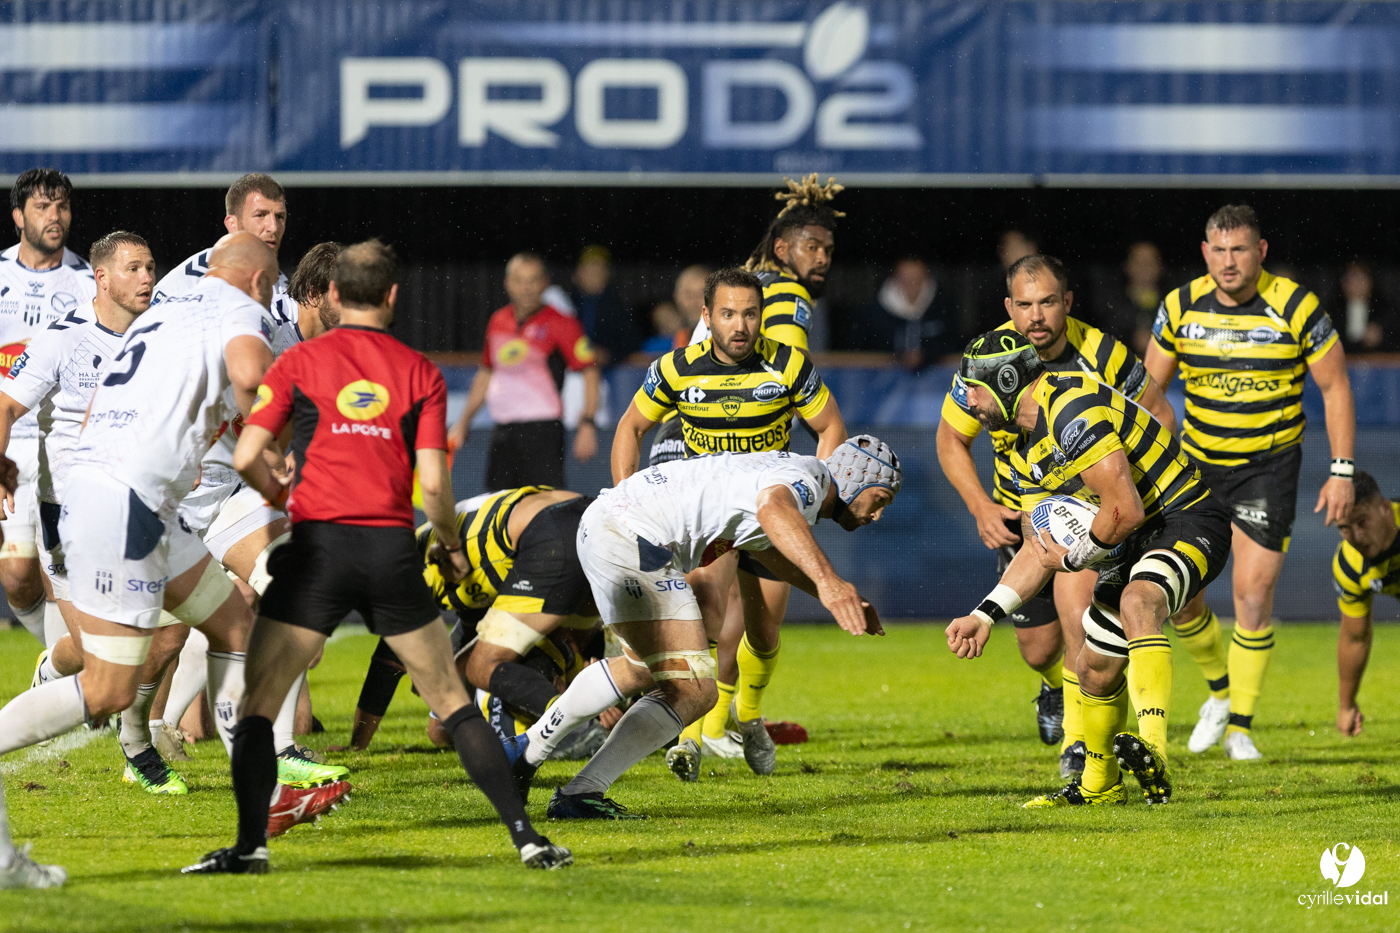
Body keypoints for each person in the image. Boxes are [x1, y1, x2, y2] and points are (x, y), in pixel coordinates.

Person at [191, 239, 570, 874]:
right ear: (393, 298)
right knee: (450, 698)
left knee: (259, 703)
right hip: (391, 550)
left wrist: (283, 493)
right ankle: (528, 839)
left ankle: (250, 847)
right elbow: (432, 485)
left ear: (333, 295)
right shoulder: (419, 372)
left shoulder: (300, 362)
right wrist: (449, 546)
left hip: (317, 549)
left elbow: (245, 455)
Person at [0, 233, 340, 887]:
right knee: (109, 687)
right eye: (270, 282)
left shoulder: (169, 312)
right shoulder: (236, 311)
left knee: (238, 619)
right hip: (121, 506)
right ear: (258, 280)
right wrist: (267, 451)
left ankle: (265, 792)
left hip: (146, 502)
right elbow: (248, 379)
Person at [510, 437, 899, 819]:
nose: (876, 515)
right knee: (695, 691)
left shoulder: (788, 471)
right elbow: (773, 507)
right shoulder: (809, 482)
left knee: (640, 669)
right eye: (879, 499)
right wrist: (830, 581)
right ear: (853, 478)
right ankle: (581, 790)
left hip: (609, 525)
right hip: (635, 539)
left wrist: (824, 591)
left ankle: (524, 751)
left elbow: (765, 545)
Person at [946, 331, 1231, 807]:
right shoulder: (1022, 448)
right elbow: (1040, 549)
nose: (966, 398)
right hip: (1128, 537)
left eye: (973, 386)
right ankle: (1099, 785)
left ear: (1007, 380)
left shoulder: (1071, 406)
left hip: (1183, 517)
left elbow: (1125, 508)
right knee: (1093, 668)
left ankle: (1154, 752)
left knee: (1139, 600)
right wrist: (983, 616)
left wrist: (1077, 557)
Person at [937, 254, 1177, 780]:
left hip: (1083, 513)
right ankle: (1054, 689)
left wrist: (1121, 490)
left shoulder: (1102, 354)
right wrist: (979, 505)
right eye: (1024, 304)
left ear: (1067, 302)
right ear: (1008, 307)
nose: (1036, 316)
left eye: (1047, 302)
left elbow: (1159, 414)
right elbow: (950, 438)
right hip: (1019, 513)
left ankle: (1078, 744)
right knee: (1037, 646)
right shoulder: (986, 358)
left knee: (1078, 623)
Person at [612, 268, 847, 780]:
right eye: (727, 314)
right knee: (704, 615)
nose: (739, 325)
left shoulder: (789, 366)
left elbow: (830, 427)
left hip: (768, 515)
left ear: (761, 315)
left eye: (749, 313)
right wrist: (627, 499)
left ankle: (750, 716)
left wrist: (811, 497)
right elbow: (630, 426)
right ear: (706, 317)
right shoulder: (676, 369)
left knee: (763, 633)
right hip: (709, 518)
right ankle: (690, 737)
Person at [1144, 204, 1357, 761]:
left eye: (1239, 249)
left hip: (1269, 468)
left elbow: (1335, 388)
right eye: (1218, 250)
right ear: (1204, 253)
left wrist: (1341, 472)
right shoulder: (1180, 306)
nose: (1228, 261)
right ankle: (1219, 691)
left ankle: (1240, 726)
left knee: (1253, 595)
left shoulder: (1295, 305)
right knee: (1181, 596)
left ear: (1260, 252)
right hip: (1195, 468)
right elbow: (1147, 395)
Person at [0, 231, 199, 794]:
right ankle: (136, 747)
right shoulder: (62, 340)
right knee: (109, 657)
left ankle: (141, 736)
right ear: (102, 278)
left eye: (152, 266)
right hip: (73, 518)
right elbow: (8, 403)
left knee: (172, 636)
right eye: (134, 268)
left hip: (145, 508)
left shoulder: (161, 338)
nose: (147, 278)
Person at [339, 485, 599, 753]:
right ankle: (604, 713)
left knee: (486, 664)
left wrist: (356, 746)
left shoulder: (413, 570)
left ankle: (581, 730)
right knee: (441, 730)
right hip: (587, 516)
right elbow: (470, 629)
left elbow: (387, 663)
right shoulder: (420, 553)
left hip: (549, 535)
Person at [0, 169, 96, 652]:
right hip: (7, 443)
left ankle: (71, 672)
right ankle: (58, 658)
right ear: (18, 216)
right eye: (42, 206)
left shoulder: (86, 283)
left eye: (62, 206)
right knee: (17, 575)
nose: (54, 216)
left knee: (61, 565)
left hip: (62, 444)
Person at [449, 253, 600, 490]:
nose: (526, 288)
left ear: (545, 283)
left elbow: (590, 372)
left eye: (533, 280)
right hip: (503, 431)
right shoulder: (497, 320)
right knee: (498, 506)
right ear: (507, 284)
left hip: (543, 431)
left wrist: (588, 423)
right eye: (519, 281)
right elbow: (487, 373)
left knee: (545, 507)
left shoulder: (562, 322)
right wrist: (463, 421)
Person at [1331, 470, 1398, 737]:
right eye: (1345, 528)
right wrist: (1346, 705)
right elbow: (1355, 638)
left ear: (1384, 508)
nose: (1356, 535)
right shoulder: (1348, 566)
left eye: (1362, 522)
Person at [858, 257, 961, 367]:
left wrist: (926, 355)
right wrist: (898, 355)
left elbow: (953, 341)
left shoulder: (942, 304)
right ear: (895, 279)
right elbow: (863, 348)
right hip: (884, 378)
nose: (911, 286)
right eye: (905, 280)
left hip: (933, 378)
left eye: (916, 280)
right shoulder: (875, 309)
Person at [570, 245, 638, 364]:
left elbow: (632, 343)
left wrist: (609, 355)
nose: (593, 277)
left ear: (606, 274)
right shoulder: (566, 303)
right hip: (573, 366)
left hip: (609, 370)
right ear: (577, 274)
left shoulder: (618, 306)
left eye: (598, 271)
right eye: (588, 271)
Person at [1099, 242, 1164, 355]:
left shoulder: (1174, 304)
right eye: (1139, 261)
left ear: (1160, 267)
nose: (1144, 267)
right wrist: (1130, 339)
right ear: (1127, 266)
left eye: (1150, 262)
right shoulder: (1110, 305)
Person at [1339, 262, 1388, 352]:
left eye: (1361, 278)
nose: (1357, 284)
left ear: (1370, 282)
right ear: (1344, 283)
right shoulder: (1334, 312)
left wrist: (1381, 336)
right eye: (1352, 278)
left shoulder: (1384, 311)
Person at [672, 265, 710, 348]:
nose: (694, 302)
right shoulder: (674, 339)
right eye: (688, 295)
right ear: (676, 297)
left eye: (701, 295)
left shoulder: (725, 341)